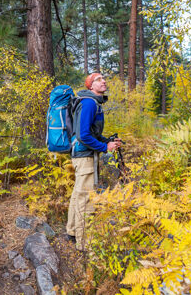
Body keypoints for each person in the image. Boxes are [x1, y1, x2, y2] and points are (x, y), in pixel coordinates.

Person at [65, 72, 122, 251]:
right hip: (84, 157)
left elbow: (92, 134)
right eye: (98, 79)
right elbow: (83, 136)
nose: (104, 81)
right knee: (85, 199)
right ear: (91, 86)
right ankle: (84, 244)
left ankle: (72, 231)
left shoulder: (90, 102)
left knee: (77, 195)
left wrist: (108, 142)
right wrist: (105, 148)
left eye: (104, 78)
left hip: (81, 156)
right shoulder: (89, 103)